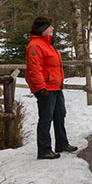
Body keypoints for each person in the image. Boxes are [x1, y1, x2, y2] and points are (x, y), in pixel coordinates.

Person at [25, 16, 77, 159]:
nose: (52, 28)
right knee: (46, 118)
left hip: (55, 86)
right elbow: (34, 69)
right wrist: (41, 88)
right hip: (46, 88)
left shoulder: (47, 43)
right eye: (49, 26)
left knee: (60, 114)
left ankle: (61, 143)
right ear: (43, 30)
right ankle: (44, 150)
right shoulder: (35, 45)